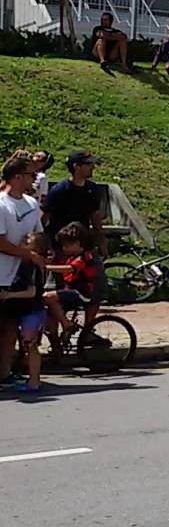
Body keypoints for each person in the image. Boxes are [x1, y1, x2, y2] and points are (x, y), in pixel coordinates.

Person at [0, 154, 47, 393]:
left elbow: (38, 235)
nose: (34, 178)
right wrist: (26, 254)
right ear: (17, 177)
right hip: (1, 274)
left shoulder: (30, 204)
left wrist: (40, 254)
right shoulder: (1, 204)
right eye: (30, 174)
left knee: (9, 328)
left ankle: (5, 372)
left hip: (21, 278)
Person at [42, 222, 105, 344]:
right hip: (71, 290)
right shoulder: (73, 255)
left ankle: (67, 324)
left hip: (82, 293)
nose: (63, 249)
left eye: (66, 245)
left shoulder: (84, 257)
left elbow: (70, 269)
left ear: (77, 244)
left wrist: (47, 267)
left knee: (48, 297)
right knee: (50, 311)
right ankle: (57, 341)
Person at [44, 150, 108, 258]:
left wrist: (102, 242)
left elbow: (96, 220)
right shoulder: (59, 190)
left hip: (83, 247)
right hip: (61, 247)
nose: (93, 167)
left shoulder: (92, 190)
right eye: (88, 164)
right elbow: (44, 218)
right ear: (76, 166)